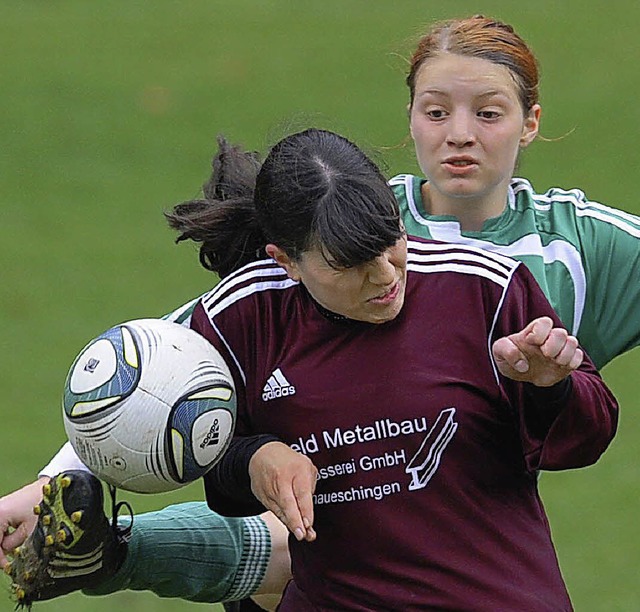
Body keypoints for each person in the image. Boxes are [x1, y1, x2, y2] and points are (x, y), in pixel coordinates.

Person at [3, 11, 639, 608]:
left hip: (475, 510)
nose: (460, 134)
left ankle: (115, 553)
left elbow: (583, 431)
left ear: (531, 121)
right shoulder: (338, 214)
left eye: (489, 112)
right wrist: (52, 483)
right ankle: (111, 553)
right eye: (437, 111)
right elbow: (155, 378)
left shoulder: (550, 259)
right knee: (300, 521)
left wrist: (552, 379)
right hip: (347, 536)